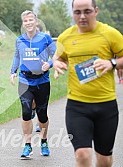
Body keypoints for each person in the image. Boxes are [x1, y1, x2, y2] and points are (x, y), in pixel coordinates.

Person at [53, 0, 123, 166]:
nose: (82, 16)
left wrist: (111, 63)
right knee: (82, 155)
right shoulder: (65, 37)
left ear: (96, 11)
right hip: (77, 106)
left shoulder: (110, 34)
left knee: (104, 160)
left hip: (106, 105)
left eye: (87, 11)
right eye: (77, 12)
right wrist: (56, 63)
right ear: (72, 13)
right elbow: (58, 57)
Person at [10, 10, 56, 159]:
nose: (28, 23)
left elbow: (56, 56)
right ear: (23, 24)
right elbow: (17, 56)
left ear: (36, 22)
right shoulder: (19, 40)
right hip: (25, 80)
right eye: (25, 21)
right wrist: (13, 71)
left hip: (42, 81)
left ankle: (43, 141)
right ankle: (27, 145)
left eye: (31, 20)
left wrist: (49, 64)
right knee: (25, 113)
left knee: (42, 115)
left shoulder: (46, 38)